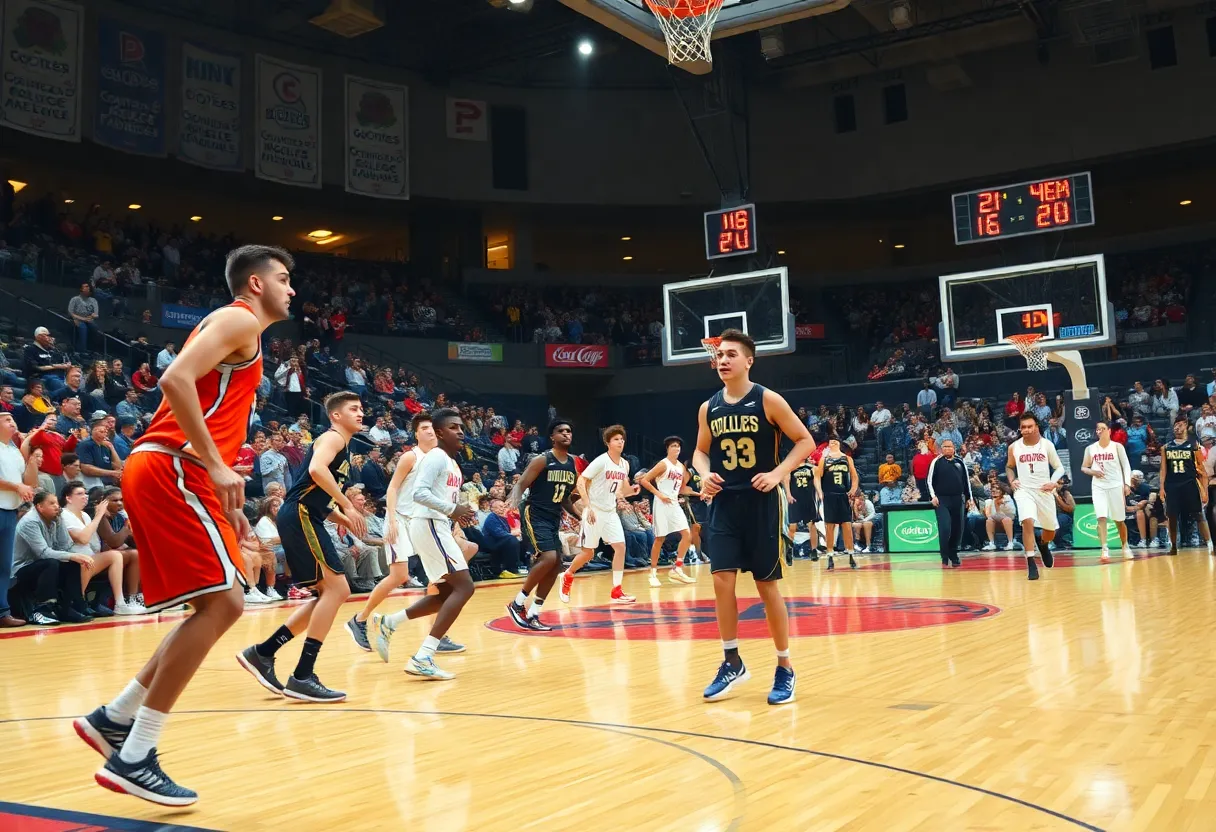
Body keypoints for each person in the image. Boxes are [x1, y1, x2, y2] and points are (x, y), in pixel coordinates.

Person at [75, 244, 295, 806]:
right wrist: (217, 465)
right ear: (253, 284)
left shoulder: (248, 335)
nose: (292, 289)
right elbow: (174, 379)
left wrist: (224, 489)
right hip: (174, 465)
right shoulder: (238, 318)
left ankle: (116, 718)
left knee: (214, 604)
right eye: (284, 278)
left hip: (180, 471)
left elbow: (204, 406)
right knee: (225, 604)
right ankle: (133, 755)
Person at [694, 329, 814, 706]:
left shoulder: (768, 399)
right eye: (720, 355)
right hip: (725, 504)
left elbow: (806, 441)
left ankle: (785, 666)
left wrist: (779, 473)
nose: (723, 360)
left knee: (766, 587)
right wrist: (703, 473)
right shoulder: (708, 407)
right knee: (721, 582)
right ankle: (732, 660)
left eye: (732, 354)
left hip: (763, 504)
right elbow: (700, 452)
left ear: (749, 361)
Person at [237, 391, 365, 703]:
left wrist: (342, 517)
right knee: (338, 590)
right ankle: (303, 676)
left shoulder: (341, 444)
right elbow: (316, 472)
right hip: (300, 516)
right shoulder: (333, 438)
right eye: (353, 408)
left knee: (328, 593)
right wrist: (347, 505)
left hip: (306, 514)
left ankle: (263, 653)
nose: (361, 413)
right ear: (336, 415)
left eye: (362, 408)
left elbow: (310, 491)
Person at [397, 408, 477, 680]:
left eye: (462, 427)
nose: (461, 431)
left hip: (437, 524)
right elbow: (419, 493)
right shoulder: (436, 457)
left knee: (445, 593)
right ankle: (423, 656)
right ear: (440, 432)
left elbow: (446, 500)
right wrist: (452, 509)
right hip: (429, 522)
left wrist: (459, 513)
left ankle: (388, 623)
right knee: (465, 587)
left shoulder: (453, 463)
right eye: (454, 427)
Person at [505, 419, 578, 631]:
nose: (566, 434)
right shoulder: (542, 460)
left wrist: (581, 515)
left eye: (569, 431)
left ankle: (534, 612)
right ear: (552, 437)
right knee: (549, 557)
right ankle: (517, 603)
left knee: (557, 565)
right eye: (561, 431)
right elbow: (521, 483)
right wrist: (514, 499)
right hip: (534, 513)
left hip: (553, 517)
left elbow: (565, 498)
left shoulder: (573, 463)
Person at [559, 425, 639, 604]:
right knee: (588, 553)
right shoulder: (601, 461)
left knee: (620, 547)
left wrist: (633, 490)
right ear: (608, 442)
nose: (620, 442)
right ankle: (568, 575)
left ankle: (617, 590)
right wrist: (588, 507)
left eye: (622, 439)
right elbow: (581, 481)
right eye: (616, 439)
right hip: (594, 510)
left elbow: (622, 490)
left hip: (610, 512)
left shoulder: (624, 465)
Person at [1007, 414, 1065, 581]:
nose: (1026, 430)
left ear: (1036, 427)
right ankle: (1031, 562)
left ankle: (1043, 544)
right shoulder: (1014, 447)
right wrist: (1012, 480)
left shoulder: (1047, 445)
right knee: (1028, 521)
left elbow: (1059, 468)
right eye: (1023, 427)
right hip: (1024, 490)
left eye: (1029, 426)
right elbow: (1009, 467)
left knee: (1050, 531)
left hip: (1044, 491)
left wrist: (1053, 482)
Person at [637, 436, 696, 586]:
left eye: (678, 446)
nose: (677, 449)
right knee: (660, 538)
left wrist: (700, 494)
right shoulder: (663, 464)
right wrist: (659, 494)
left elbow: (682, 488)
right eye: (673, 446)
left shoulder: (681, 467)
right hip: (661, 503)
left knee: (687, 534)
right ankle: (653, 573)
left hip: (674, 503)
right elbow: (644, 480)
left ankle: (677, 569)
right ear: (668, 449)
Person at [0, 410, 35, 627]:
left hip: (10, 512)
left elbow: (30, 481)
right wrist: (16, 486)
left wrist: (30, 456)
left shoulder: (13, 450)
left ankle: (2, 612)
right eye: (7, 419)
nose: (13, 422)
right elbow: (19, 484)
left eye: (13, 419)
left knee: (4, 566)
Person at [1081, 420, 1133, 559]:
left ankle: (1125, 545)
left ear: (1109, 431)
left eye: (1103, 428)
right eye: (1098, 429)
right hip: (1098, 486)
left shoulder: (1117, 447)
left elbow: (1126, 466)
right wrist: (1094, 472)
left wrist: (1127, 484)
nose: (1100, 431)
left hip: (1116, 485)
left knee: (1119, 520)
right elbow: (1084, 467)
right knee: (1101, 517)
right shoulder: (1091, 448)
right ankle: (1104, 548)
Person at [1160, 416, 1212, 556]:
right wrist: (1161, 488)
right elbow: (1163, 470)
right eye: (1175, 425)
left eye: (1180, 424)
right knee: (1172, 516)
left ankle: (1210, 545)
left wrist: (1204, 491)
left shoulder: (1194, 446)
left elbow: (1202, 470)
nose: (1177, 427)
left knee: (1198, 514)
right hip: (1172, 485)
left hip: (1190, 483)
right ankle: (1173, 546)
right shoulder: (1165, 447)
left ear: (1186, 427)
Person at [927, 438, 972, 567]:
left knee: (957, 529)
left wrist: (970, 498)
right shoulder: (936, 462)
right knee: (945, 528)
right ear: (941, 449)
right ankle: (944, 555)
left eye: (950, 447)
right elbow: (929, 481)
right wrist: (933, 496)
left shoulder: (960, 462)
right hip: (942, 500)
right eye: (945, 447)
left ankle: (953, 553)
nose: (947, 449)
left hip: (958, 499)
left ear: (954, 448)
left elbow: (966, 482)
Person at [815, 438, 858, 570]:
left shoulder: (847, 458)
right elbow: (817, 477)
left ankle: (851, 555)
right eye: (831, 442)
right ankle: (830, 556)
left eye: (835, 441)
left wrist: (853, 489)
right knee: (829, 527)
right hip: (829, 495)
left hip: (843, 495)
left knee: (847, 526)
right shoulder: (824, 459)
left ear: (840, 444)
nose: (833, 443)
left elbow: (855, 476)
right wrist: (820, 492)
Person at [785, 457, 819, 561]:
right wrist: (788, 494)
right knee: (792, 527)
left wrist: (819, 492)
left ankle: (814, 551)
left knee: (812, 525)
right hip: (795, 499)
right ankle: (789, 551)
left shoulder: (811, 468)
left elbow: (816, 481)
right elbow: (786, 481)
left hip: (808, 499)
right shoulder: (790, 467)